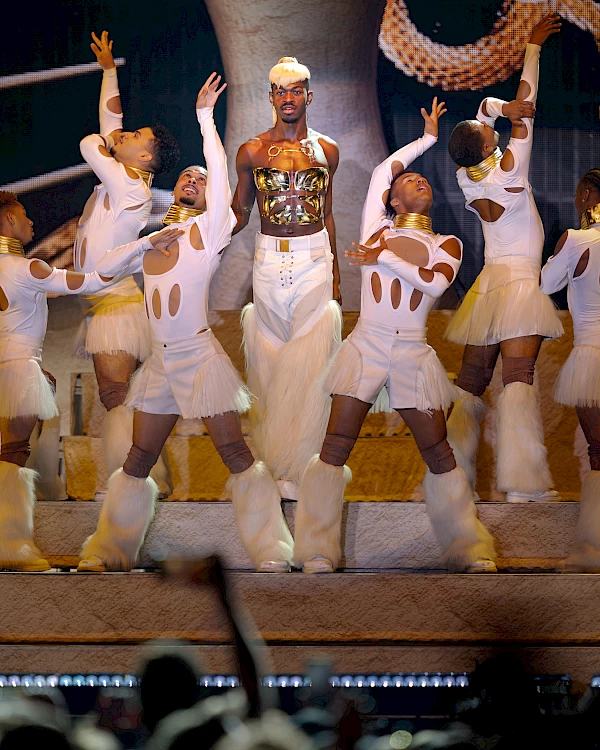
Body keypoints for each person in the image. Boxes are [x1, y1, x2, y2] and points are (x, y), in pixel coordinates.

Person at [79, 75, 292, 573]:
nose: (193, 180)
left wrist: (204, 117)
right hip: (161, 363)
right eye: (186, 176)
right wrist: (140, 244)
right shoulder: (152, 237)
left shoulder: (212, 230)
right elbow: (100, 270)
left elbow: (218, 168)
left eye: (201, 179)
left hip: (197, 357)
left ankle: (271, 547)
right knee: (137, 458)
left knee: (234, 451)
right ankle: (109, 549)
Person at [294, 100, 496, 574]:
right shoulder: (376, 227)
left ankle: (467, 546)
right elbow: (383, 170)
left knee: (438, 450)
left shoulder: (446, 244)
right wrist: (426, 140)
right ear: (392, 200)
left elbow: (435, 284)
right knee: (335, 444)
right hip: (366, 345)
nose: (418, 180)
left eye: (423, 179)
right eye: (410, 180)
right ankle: (317, 548)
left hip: (411, 352)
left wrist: (381, 257)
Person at [445, 14, 563, 502]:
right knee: (517, 378)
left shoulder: (466, 177)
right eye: (487, 129)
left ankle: (452, 476)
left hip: (489, 284)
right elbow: (525, 109)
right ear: (485, 143)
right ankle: (522, 482)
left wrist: (499, 108)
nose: (490, 124)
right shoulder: (511, 172)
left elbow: (484, 110)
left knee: (471, 381)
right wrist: (532, 51)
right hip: (517, 284)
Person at [232, 57, 342, 512]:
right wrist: (200, 238)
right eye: (281, 91)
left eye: (296, 90)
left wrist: (337, 273)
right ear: (271, 97)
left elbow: (328, 212)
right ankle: (277, 464)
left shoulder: (328, 150)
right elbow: (239, 211)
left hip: (314, 256)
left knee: (312, 363)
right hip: (268, 257)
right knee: (273, 361)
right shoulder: (251, 151)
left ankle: (304, 466)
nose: (288, 98)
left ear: (308, 96)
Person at [74, 30, 179, 485]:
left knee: (115, 395)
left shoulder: (129, 186)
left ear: (145, 156)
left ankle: (129, 480)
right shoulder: (124, 179)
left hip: (115, 307)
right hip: (107, 302)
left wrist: (105, 141)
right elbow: (110, 125)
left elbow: (90, 141)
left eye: (135, 136)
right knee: (119, 395)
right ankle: (139, 477)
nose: (124, 135)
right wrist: (109, 72)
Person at [0, 192, 111, 571]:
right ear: (9, 221)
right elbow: (90, 282)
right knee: (12, 453)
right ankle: (11, 546)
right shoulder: (26, 268)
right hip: (18, 367)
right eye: (24, 215)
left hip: (11, 365)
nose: (31, 222)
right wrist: (140, 249)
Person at [540, 168, 600, 572]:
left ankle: (594, 548)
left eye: (580, 194)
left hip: (591, 356)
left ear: (587, 196)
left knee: (599, 453)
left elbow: (546, 285)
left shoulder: (576, 240)